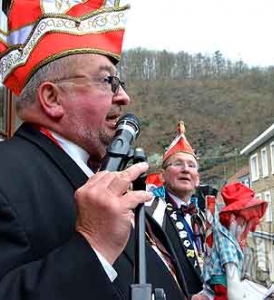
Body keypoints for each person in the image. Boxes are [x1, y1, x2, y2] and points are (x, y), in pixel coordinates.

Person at [0, 1, 203, 300]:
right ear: (52, 98)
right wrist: (92, 246)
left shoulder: (105, 172)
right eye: (108, 81)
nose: (124, 96)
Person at [146, 121, 213, 297]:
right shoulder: (149, 213)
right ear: (162, 176)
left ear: (197, 178)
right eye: (177, 164)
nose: (185, 169)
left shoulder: (205, 216)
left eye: (192, 165)